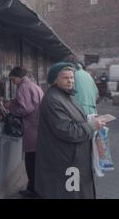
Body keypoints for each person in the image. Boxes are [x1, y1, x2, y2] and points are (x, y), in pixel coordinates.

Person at [35, 62, 106, 199]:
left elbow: (74, 119)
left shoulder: (67, 95)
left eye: (72, 77)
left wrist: (90, 119)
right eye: (65, 78)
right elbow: (68, 131)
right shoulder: (53, 100)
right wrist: (91, 126)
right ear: (55, 80)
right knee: (69, 193)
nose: (70, 81)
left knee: (75, 192)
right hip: (66, 161)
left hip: (73, 158)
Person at [7, 66, 44, 198]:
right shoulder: (32, 84)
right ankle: (34, 187)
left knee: (30, 159)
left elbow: (25, 109)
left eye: (12, 80)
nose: (12, 83)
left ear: (18, 77)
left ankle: (33, 189)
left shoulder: (24, 86)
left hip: (32, 127)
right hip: (38, 126)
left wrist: (11, 108)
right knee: (35, 158)